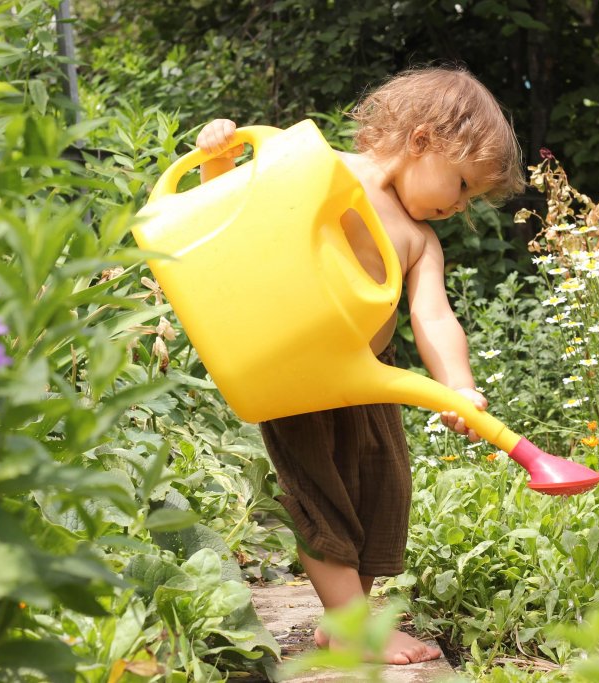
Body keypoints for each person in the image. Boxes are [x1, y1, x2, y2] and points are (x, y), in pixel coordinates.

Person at [195, 66, 524, 665]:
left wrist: (459, 385)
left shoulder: (421, 239)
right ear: (423, 140)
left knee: (380, 489)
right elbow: (230, 219)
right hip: (295, 369)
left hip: (369, 372)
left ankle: (344, 621)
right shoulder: (320, 170)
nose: (460, 206)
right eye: (461, 184)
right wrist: (216, 161)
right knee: (319, 494)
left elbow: (434, 317)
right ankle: (354, 626)